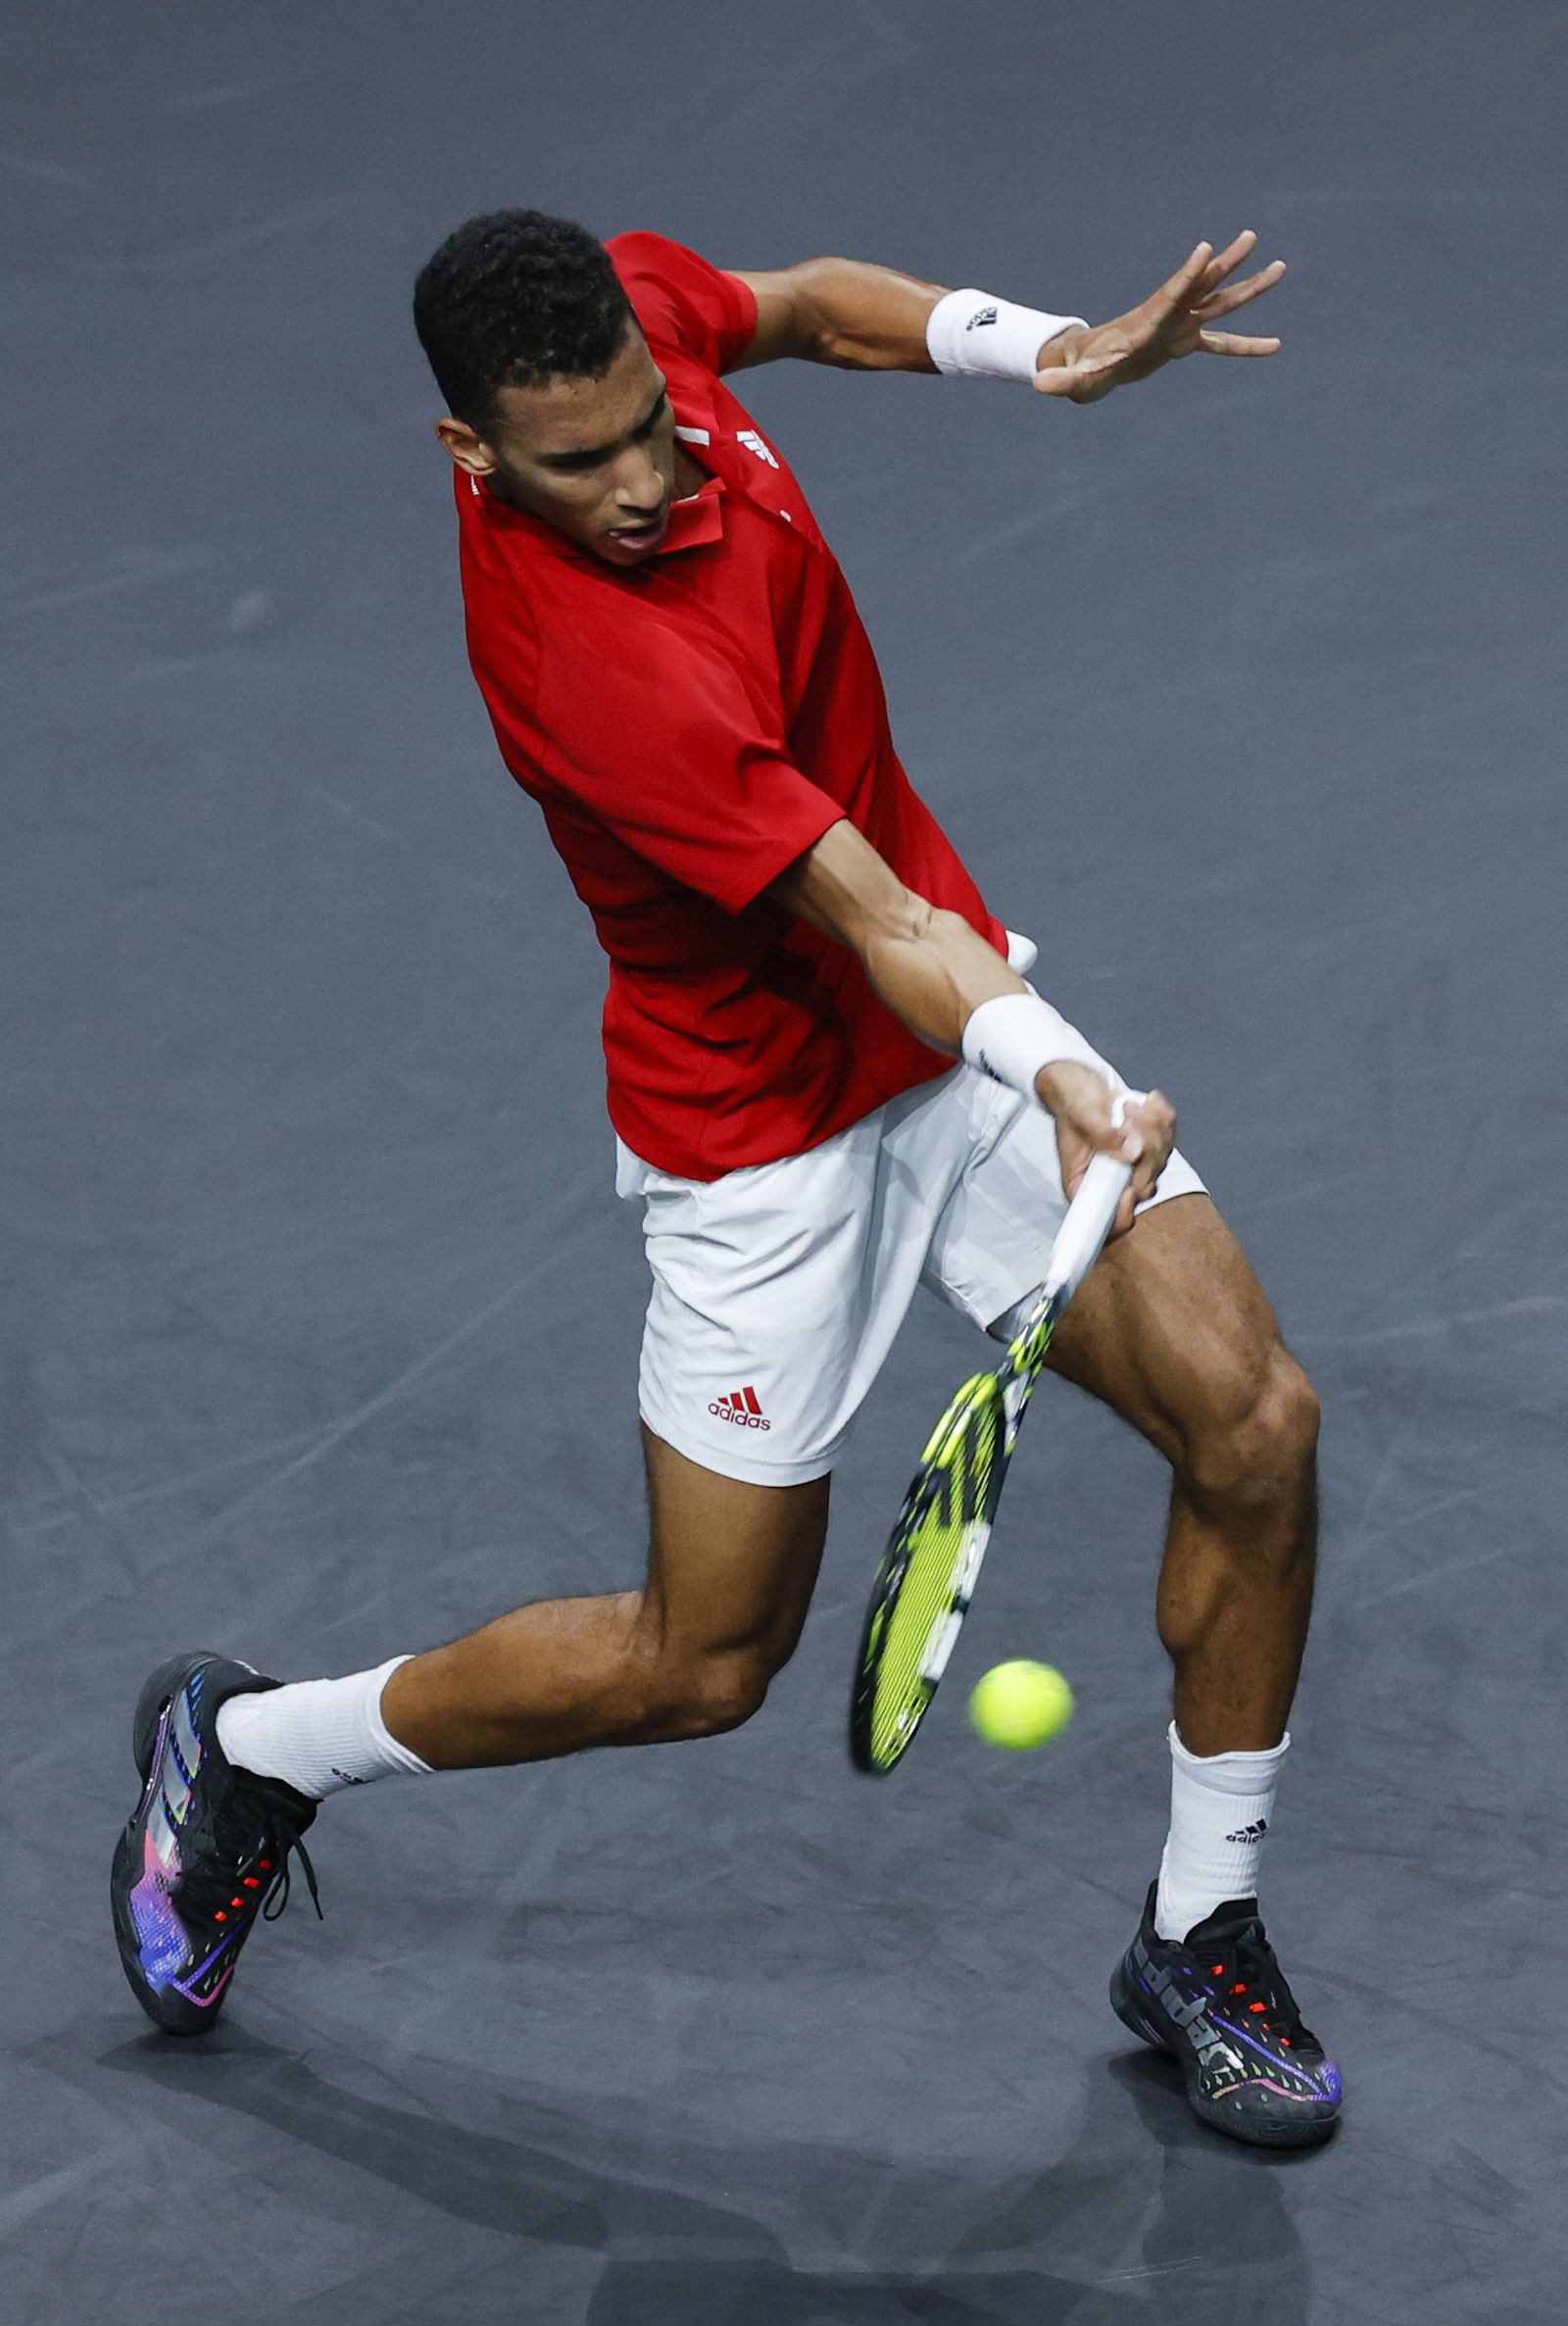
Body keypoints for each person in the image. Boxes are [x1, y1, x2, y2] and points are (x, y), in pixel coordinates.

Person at [111, 213, 1340, 2149]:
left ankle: (1201, 1920)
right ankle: (254, 1746)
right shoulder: (590, 670)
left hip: (942, 1033)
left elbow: (797, 307)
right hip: (764, 1128)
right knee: (700, 1664)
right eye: (574, 461)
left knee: (1253, 1420)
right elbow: (868, 913)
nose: (631, 482)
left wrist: (1043, 351)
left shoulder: (633, 325)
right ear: (470, 459)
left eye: (644, 430)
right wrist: (1066, 1074)